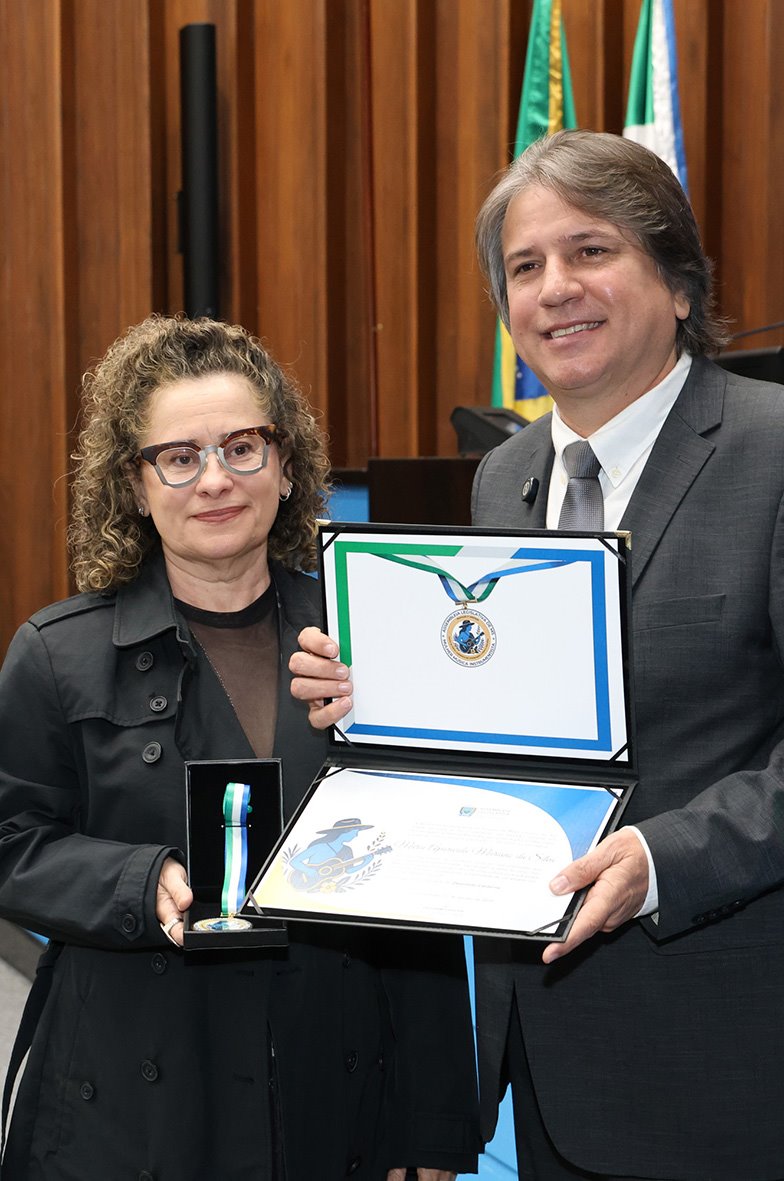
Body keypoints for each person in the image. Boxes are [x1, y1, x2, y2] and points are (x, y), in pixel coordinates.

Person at [290, 129, 784, 1179]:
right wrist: (375, 701)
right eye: (525, 267)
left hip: (732, 1053)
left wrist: (662, 859)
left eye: (590, 251)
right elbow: (501, 717)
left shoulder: (775, 449)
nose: (554, 288)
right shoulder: (502, 478)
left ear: (679, 284)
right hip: (545, 1054)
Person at [0, 315, 479, 1180]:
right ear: (135, 484)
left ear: (286, 465)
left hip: (333, 1081)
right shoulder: (55, 654)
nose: (215, 479)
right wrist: (135, 879)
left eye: (242, 447)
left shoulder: (372, 632)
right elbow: (11, 842)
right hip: (132, 1096)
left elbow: (420, 892)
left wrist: (434, 1118)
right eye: (179, 457)